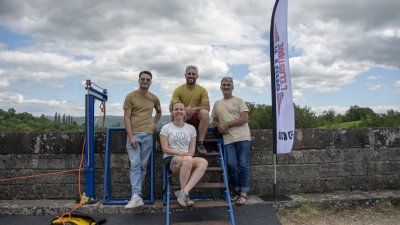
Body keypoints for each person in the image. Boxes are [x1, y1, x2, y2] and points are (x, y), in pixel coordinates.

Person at [123, 70, 162, 209]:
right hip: (134, 135)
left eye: (147, 79)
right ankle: (136, 196)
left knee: (143, 166)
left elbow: (159, 112)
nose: (145, 81)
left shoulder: (154, 98)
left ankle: (137, 196)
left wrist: (154, 124)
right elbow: (127, 117)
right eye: (142, 79)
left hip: (148, 135)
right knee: (135, 164)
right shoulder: (130, 96)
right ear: (138, 80)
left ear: (151, 82)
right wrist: (131, 136)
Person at [211, 77, 251, 205]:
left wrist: (227, 124)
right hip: (228, 139)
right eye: (224, 85)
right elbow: (215, 120)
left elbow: (245, 118)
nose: (226, 87)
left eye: (228, 85)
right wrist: (219, 126)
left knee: (243, 165)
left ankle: (244, 193)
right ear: (220, 87)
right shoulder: (217, 103)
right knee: (231, 165)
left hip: (243, 137)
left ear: (232, 87)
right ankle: (237, 191)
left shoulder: (239, 100)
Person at [160, 102, 209, 207]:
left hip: (187, 158)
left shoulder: (191, 129)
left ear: (185, 112)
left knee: (203, 162)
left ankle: (184, 192)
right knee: (188, 160)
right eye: (176, 109)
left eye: (181, 109)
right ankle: (185, 196)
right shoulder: (166, 128)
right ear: (172, 112)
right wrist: (180, 153)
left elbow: (192, 148)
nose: (179, 111)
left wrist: (187, 156)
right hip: (170, 158)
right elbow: (165, 148)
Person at [170, 65, 210, 155]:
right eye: (189, 74)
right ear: (185, 75)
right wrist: (185, 109)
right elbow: (172, 107)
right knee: (174, 113)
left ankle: (200, 143)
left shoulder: (202, 90)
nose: (191, 75)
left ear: (197, 76)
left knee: (205, 113)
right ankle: (172, 141)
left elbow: (207, 107)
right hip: (184, 116)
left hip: (196, 117)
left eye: (193, 74)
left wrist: (195, 108)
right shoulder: (178, 90)